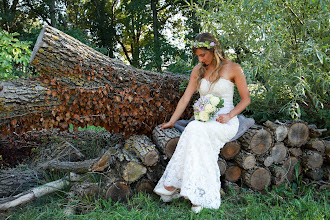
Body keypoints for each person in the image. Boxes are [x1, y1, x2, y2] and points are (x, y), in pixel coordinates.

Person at [153, 33, 251, 213]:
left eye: (203, 55)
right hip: (204, 121)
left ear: (213, 50)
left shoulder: (233, 68)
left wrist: (229, 115)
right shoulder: (198, 70)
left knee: (194, 128)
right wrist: (172, 121)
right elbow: (185, 99)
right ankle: (197, 195)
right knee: (195, 129)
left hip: (225, 123)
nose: (200, 59)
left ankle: (173, 185)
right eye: (198, 55)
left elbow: (246, 100)